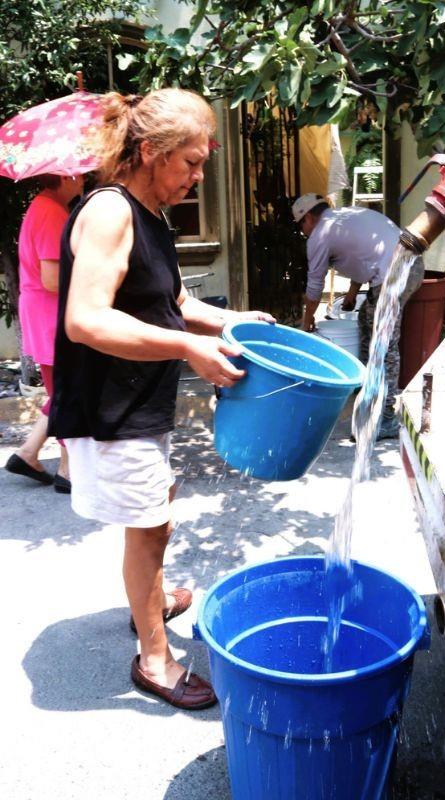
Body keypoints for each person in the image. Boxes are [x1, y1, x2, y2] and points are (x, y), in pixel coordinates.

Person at [49, 88, 273, 710]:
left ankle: (150, 596)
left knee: (159, 508)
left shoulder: (150, 213)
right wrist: (185, 349)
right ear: (149, 151)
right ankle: (154, 657)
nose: (198, 176)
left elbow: (167, 301)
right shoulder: (109, 212)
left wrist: (225, 323)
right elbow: (85, 321)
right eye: (191, 163)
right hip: (110, 406)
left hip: (140, 398)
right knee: (149, 528)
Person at [293, 194, 409, 440]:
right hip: (398, 267)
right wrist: (353, 292)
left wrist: (307, 321)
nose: (302, 231)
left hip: (397, 273)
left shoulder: (320, 235)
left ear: (310, 217)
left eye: (300, 224)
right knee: (366, 324)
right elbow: (366, 255)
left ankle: (386, 418)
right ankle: (368, 397)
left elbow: (315, 285)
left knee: (384, 345)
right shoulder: (344, 218)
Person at [5, 173, 82, 491]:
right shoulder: (51, 211)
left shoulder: (44, 206)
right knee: (69, 390)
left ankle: (30, 453)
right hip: (51, 314)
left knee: (66, 390)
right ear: (66, 176)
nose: (84, 180)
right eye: (81, 176)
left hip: (45, 313)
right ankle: (66, 470)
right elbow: (52, 278)